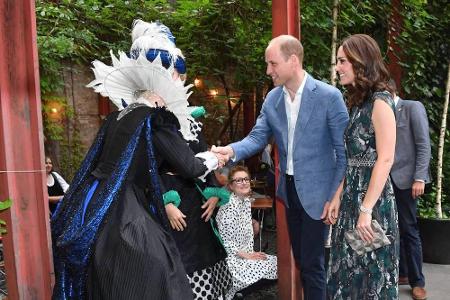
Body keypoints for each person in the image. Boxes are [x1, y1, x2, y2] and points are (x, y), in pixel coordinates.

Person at [51, 20, 224, 299]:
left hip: (93, 206)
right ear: (164, 79)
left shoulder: (117, 116)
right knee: (159, 275)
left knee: (109, 281)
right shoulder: (157, 119)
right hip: (126, 212)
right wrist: (215, 156)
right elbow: (190, 167)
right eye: (176, 76)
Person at [212, 35, 349, 299]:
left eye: (273, 64)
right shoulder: (273, 99)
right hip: (289, 192)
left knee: (312, 264)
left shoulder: (329, 97)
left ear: (293, 61)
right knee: (302, 259)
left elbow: (344, 154)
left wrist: (336, 195)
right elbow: (256, 138)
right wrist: (229, 151)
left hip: (319, 195)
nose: (268, 70)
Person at [324, 34, 399, 299]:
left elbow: (386, 158)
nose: (338, 67)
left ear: (361, 61)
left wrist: (366, 211)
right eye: (338, 61)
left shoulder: (380, 102)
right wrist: (337, 196)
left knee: (370, 277)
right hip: (351, 201)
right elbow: (351, 157)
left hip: (373, 205)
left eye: (343, 61)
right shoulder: (358, 102)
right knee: (346, 274)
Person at [161, 103, 232, 299]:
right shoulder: (156, 123)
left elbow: (205, 158)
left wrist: (215, 193)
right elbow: (147, 169)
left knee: (205, 253)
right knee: (177, 259)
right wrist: (164, 201)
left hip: (197, 196)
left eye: (180, 75)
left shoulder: (192, 121)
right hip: (170, 196)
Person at [390, 80, 430, 300]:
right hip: (386, 181)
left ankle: (418, 281)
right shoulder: (380, 112)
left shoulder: (412, 107)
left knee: (409, 229)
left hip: (408, 181)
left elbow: (424, 145)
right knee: (391, 229)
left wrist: (419, 178)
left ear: (390, 90)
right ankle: (402, 273)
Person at [216, 165, 277, 300]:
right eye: (238, 180)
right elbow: (225, 243)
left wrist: (251, 253)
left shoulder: (245, 202)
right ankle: (237, 292)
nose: (243, 182)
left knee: (275, 262)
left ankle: (241, 292)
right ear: (231, 186)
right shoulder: (229, 206)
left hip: (244, 256)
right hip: (231, 263)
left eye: (246, 179)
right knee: (276, 266)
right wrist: (248, 256)